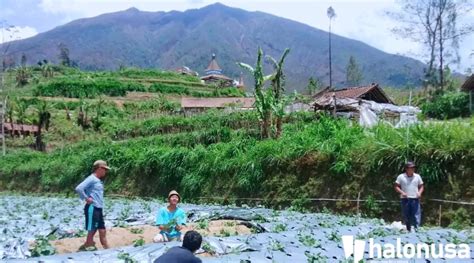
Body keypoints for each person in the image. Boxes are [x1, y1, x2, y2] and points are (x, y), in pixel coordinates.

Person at [75, 160, 110, 250]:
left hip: (98, 208)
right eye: (104, 169)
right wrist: (86, 198)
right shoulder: (92, 178)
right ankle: (87, 247)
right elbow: (79, 188)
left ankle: (108, 250)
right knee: (92, 230)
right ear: (99, 168)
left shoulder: (98, 180)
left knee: (102, 230)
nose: (105, 171)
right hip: (92, 208)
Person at [394, 161, 424, 232]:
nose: (412, 169)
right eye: (410, 168)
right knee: (406, 215)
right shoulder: (401, 177)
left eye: (413, 168)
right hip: (405, 199)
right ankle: (408, 229)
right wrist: (402, 192)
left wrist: (419, 193)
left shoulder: (417, 176)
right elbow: (396, 186)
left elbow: (421, 186)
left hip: (415, 198)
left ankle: (417, 229)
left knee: (416, 215)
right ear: (406, 169)